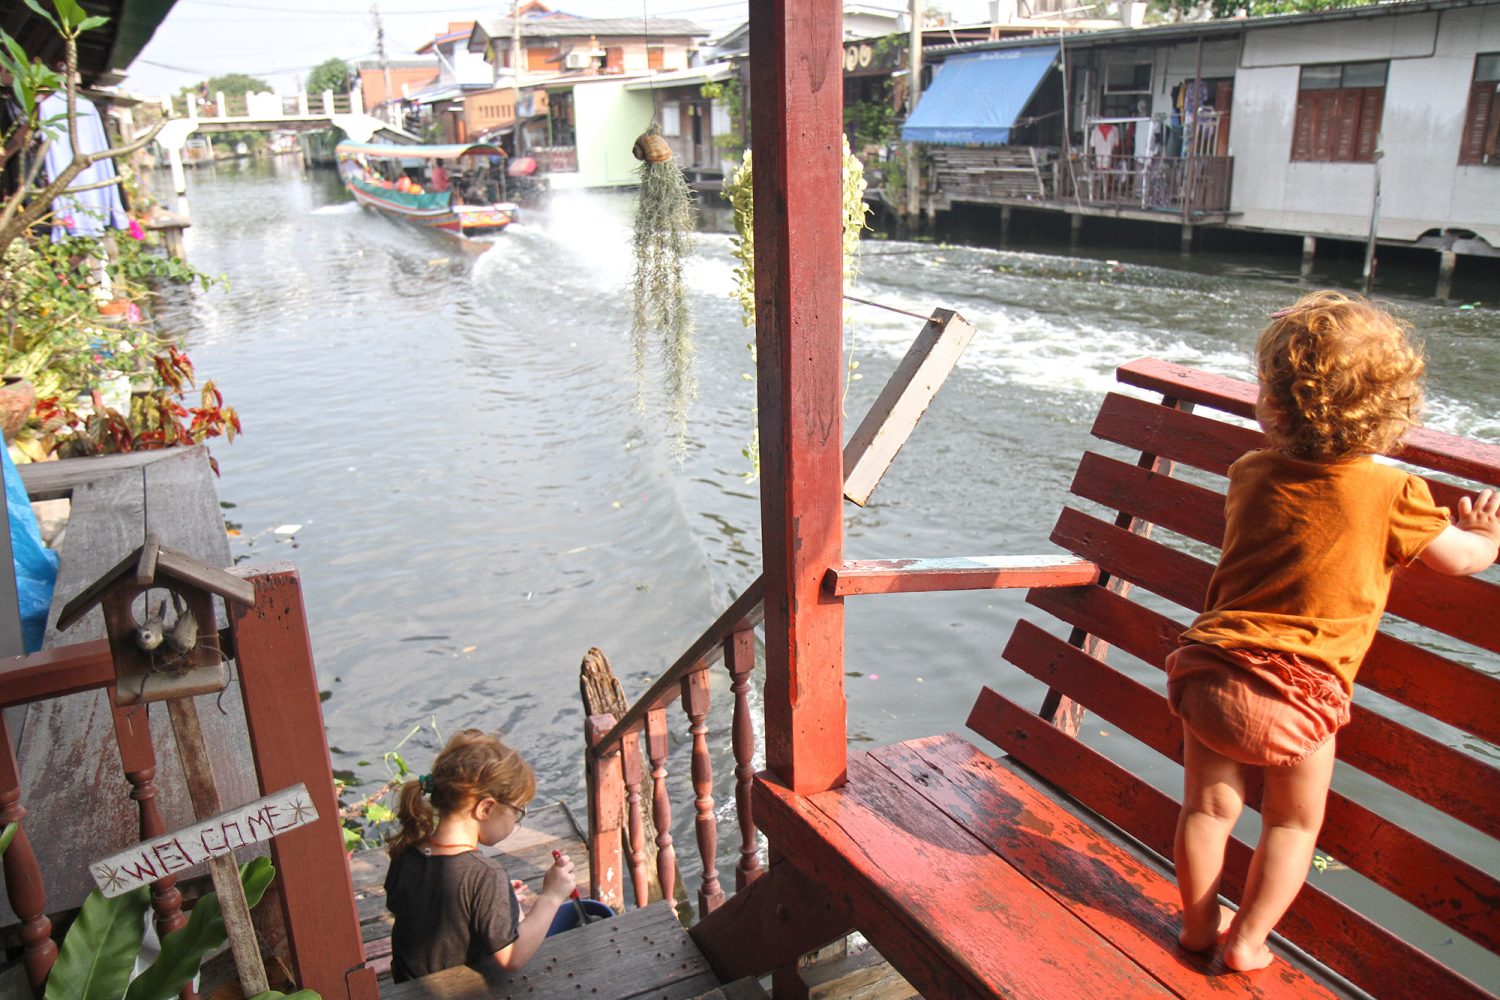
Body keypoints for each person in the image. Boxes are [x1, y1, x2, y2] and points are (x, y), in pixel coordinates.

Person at [1167, 290, 1500, 973]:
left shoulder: (1249, 472)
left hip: (1212, 668)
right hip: (1299, 692)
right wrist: (1483, 535)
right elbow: (1462, 562)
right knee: (1291, 823)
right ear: (1391, 407)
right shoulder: (1394, 493)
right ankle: (1250, 943)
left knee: (1207, 809)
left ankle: (1199, 927)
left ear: (1275, 400)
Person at [385, 729, 577, 983]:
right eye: (517, 811)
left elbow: (422, 909)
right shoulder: (485, 874)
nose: (516, 821)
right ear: (486, 808)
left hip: (406, 989)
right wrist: (552, 896)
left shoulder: (407, 853)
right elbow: (512, 958)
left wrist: (491, 904)